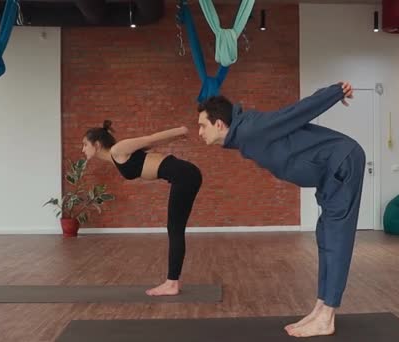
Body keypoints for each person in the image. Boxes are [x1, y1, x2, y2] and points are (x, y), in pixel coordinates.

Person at [196, 81, 365, 338]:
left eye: (202, 125)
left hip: (342, 162)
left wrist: (335, 92)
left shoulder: (251, 128)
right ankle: (321, 308)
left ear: (219, 124)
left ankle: (327, 316)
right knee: (325, 238)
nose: (199, 132)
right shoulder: (243, 135)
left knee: (337, 239)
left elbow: (296, 112)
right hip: (329, 172)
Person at [82, 120, 202, 296]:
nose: (82, 149)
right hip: (184, 175)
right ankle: (172, 282)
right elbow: (153, 145)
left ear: (97, 144)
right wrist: (177, 137)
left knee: (175, 229)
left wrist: (180, 131)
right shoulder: (118, 156)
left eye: (85, 144)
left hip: (184, 175)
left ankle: (171, 283)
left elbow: (150, 139)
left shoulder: (118, 150)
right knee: (175, 228)